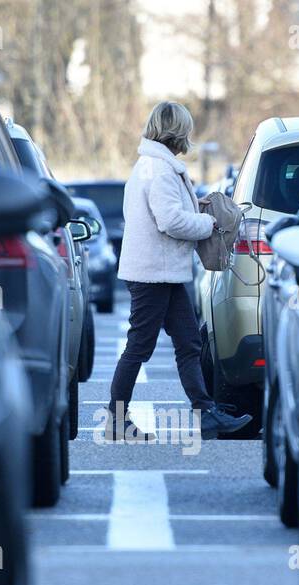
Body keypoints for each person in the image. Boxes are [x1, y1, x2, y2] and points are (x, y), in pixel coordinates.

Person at [107, 101, 251, 442]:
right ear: (177, 132)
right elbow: (170, 221)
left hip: (161, 272)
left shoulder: (152, 165)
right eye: (186, 129)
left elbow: (165, 210)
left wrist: (193, 207)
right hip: (153, 273)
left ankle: (205, 414)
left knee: (188, 342)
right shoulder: (160, 170)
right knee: (140, 346)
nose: (190, 135)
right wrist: (208, 222)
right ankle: (115, 421)